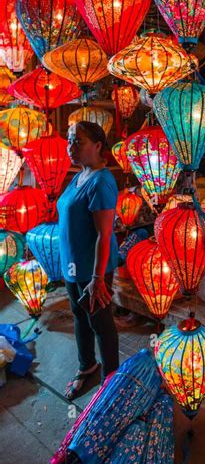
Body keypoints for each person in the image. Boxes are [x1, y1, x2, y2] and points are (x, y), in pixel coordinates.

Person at [57, 120, 119, 400]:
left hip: (92, 268)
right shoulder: (79, 174)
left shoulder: (101, 181)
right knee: (80, 317)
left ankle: (111, 382)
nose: (71, 146)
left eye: (78, 141)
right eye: (70, 140)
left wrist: (97, 278)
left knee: (101, 323)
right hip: (73, 263)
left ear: (97, 146)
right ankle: (87, 366)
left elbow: (104, 235)